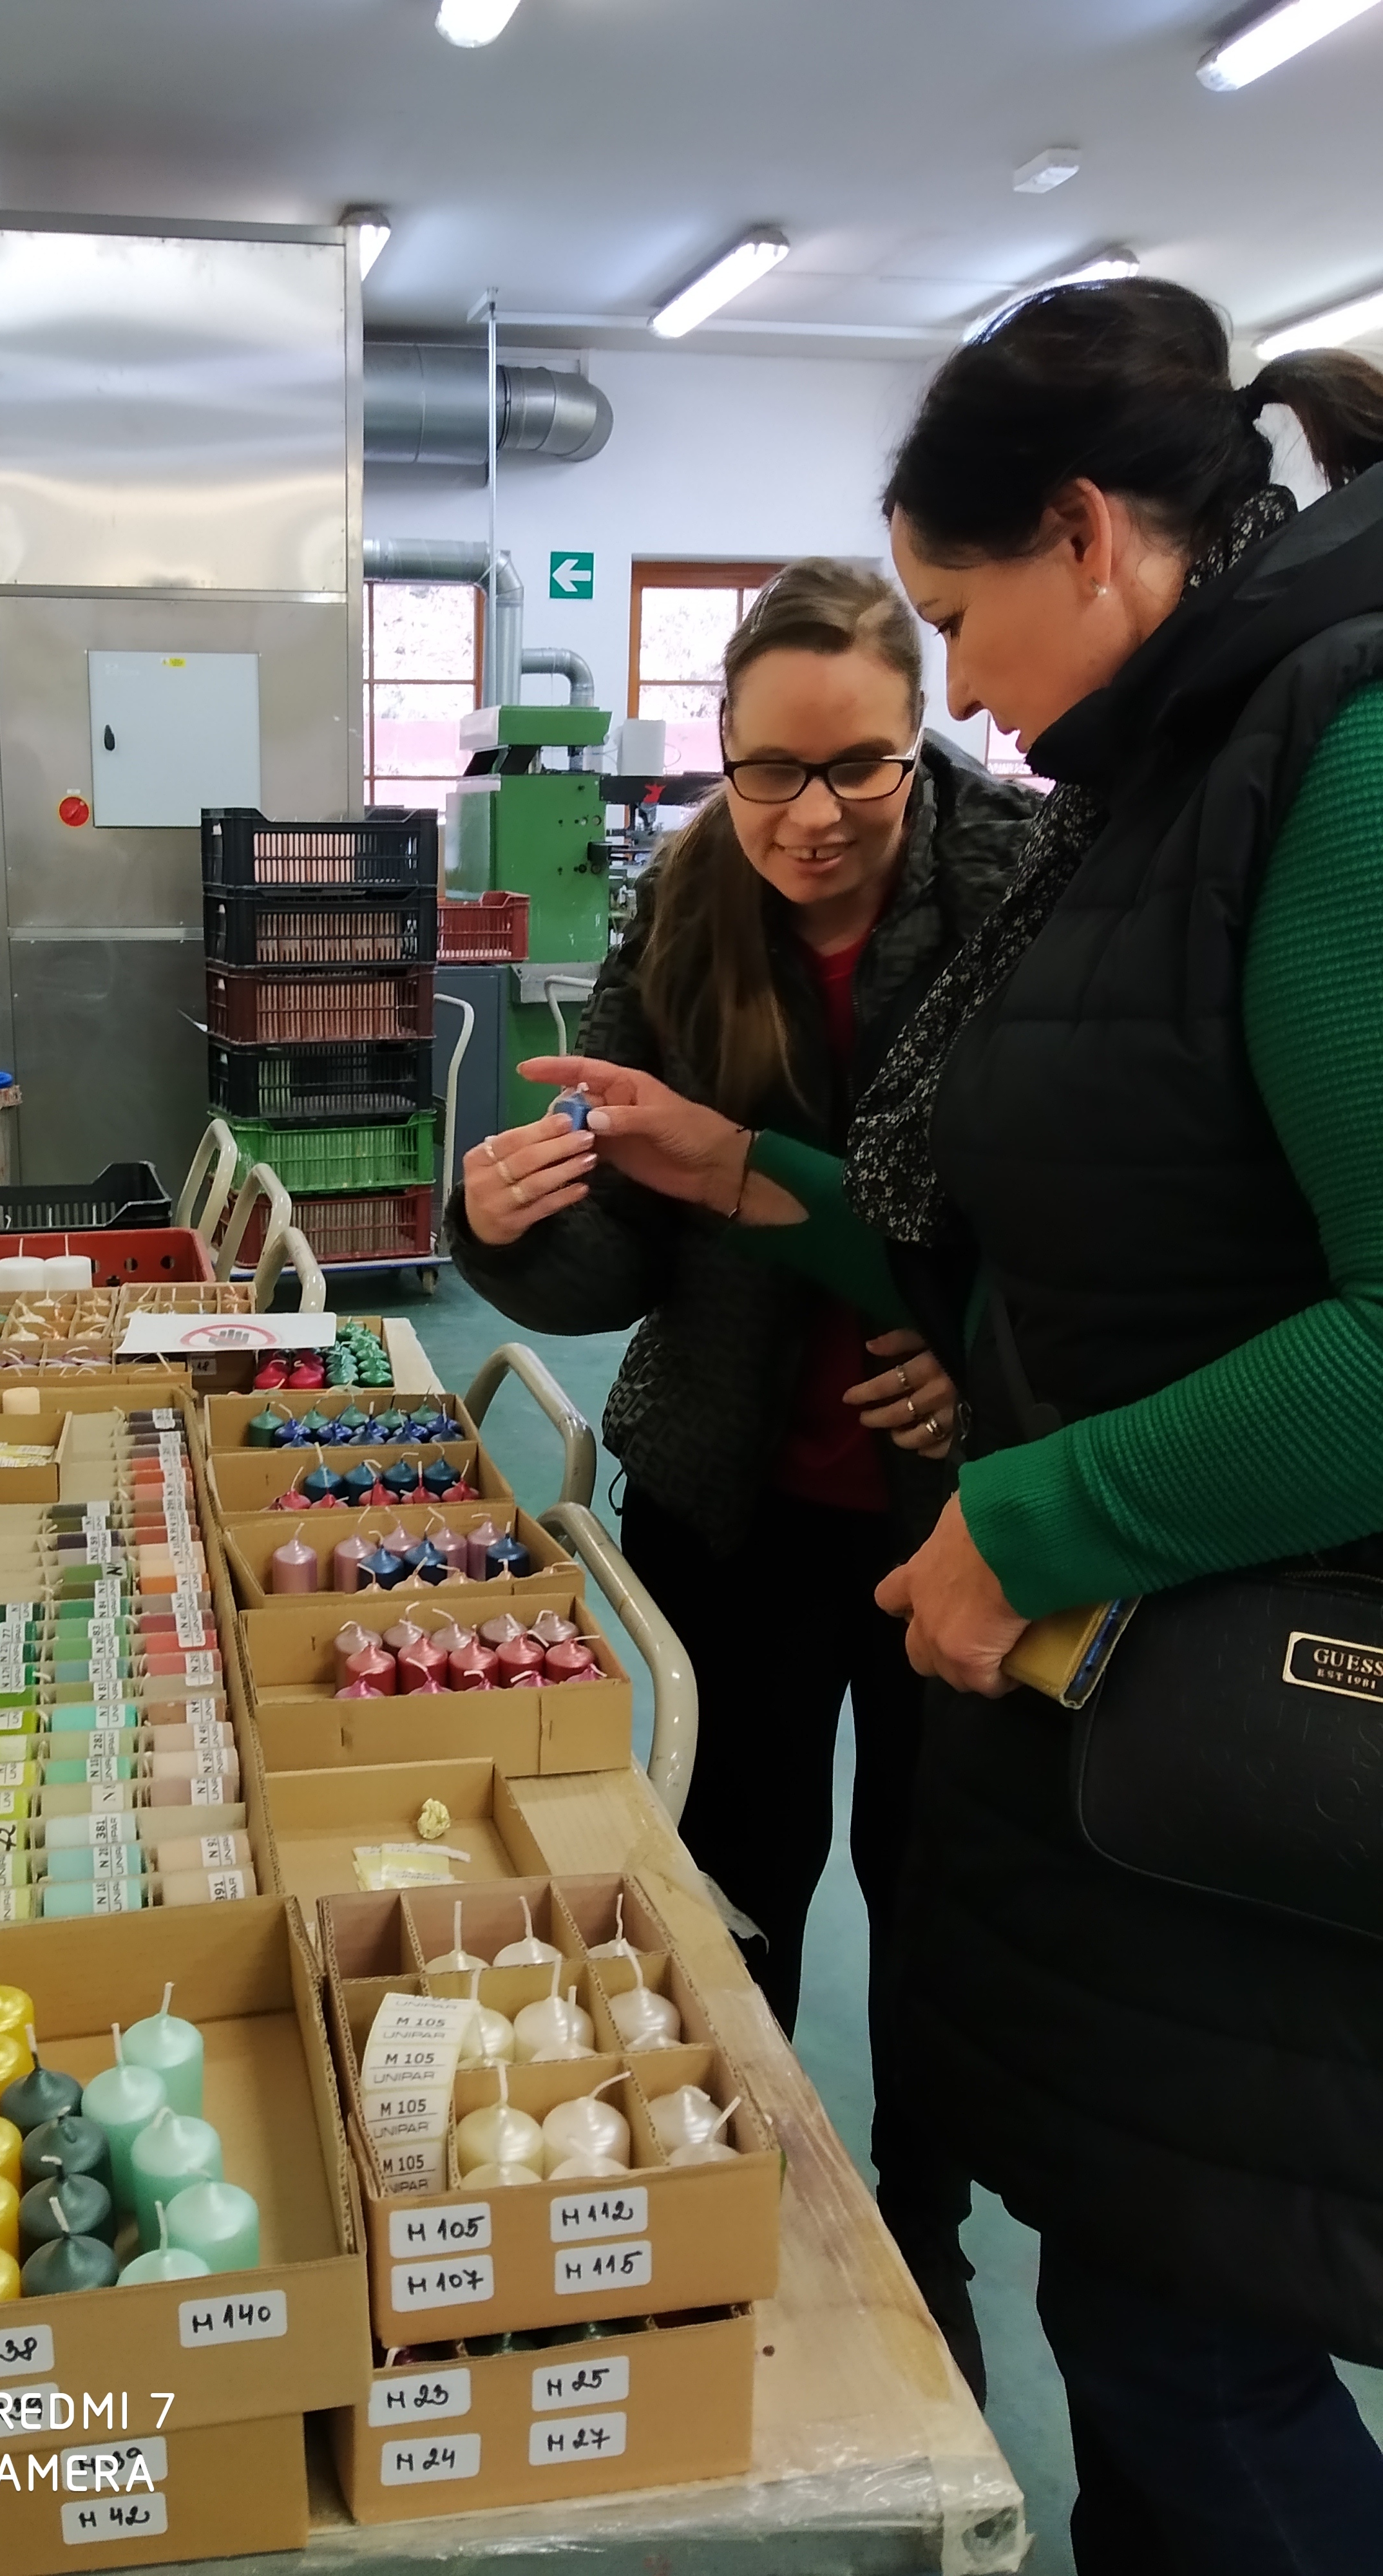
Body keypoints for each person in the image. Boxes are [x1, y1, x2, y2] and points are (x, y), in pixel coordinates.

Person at [531, 280, 1383, 2575]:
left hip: (1210, 1658)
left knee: (1199, 2340)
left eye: (954, 630)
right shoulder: (1166, 770)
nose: (969, 692)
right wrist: (693, 1191)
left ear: (1086, 534)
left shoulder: (1316, 753)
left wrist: (1034, 1491)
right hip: (1063, 1658)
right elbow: (1069, 1222)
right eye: (772, 767)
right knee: (1141, 2301)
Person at [444, 560, 1035, 2389]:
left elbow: (1092, 1213)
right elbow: (621, 1251)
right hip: (738, 1497)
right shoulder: (687, 904)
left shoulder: (1026, 885)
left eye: (861, 766)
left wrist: (983, 1349)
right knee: (730, 1877)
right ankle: (726, 2201)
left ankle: (922, 2238)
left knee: (942, 1909)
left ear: (922, 740)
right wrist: (507, 1226)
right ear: (720, 751)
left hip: (965, 1527)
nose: (813, 815)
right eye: (771, 769)